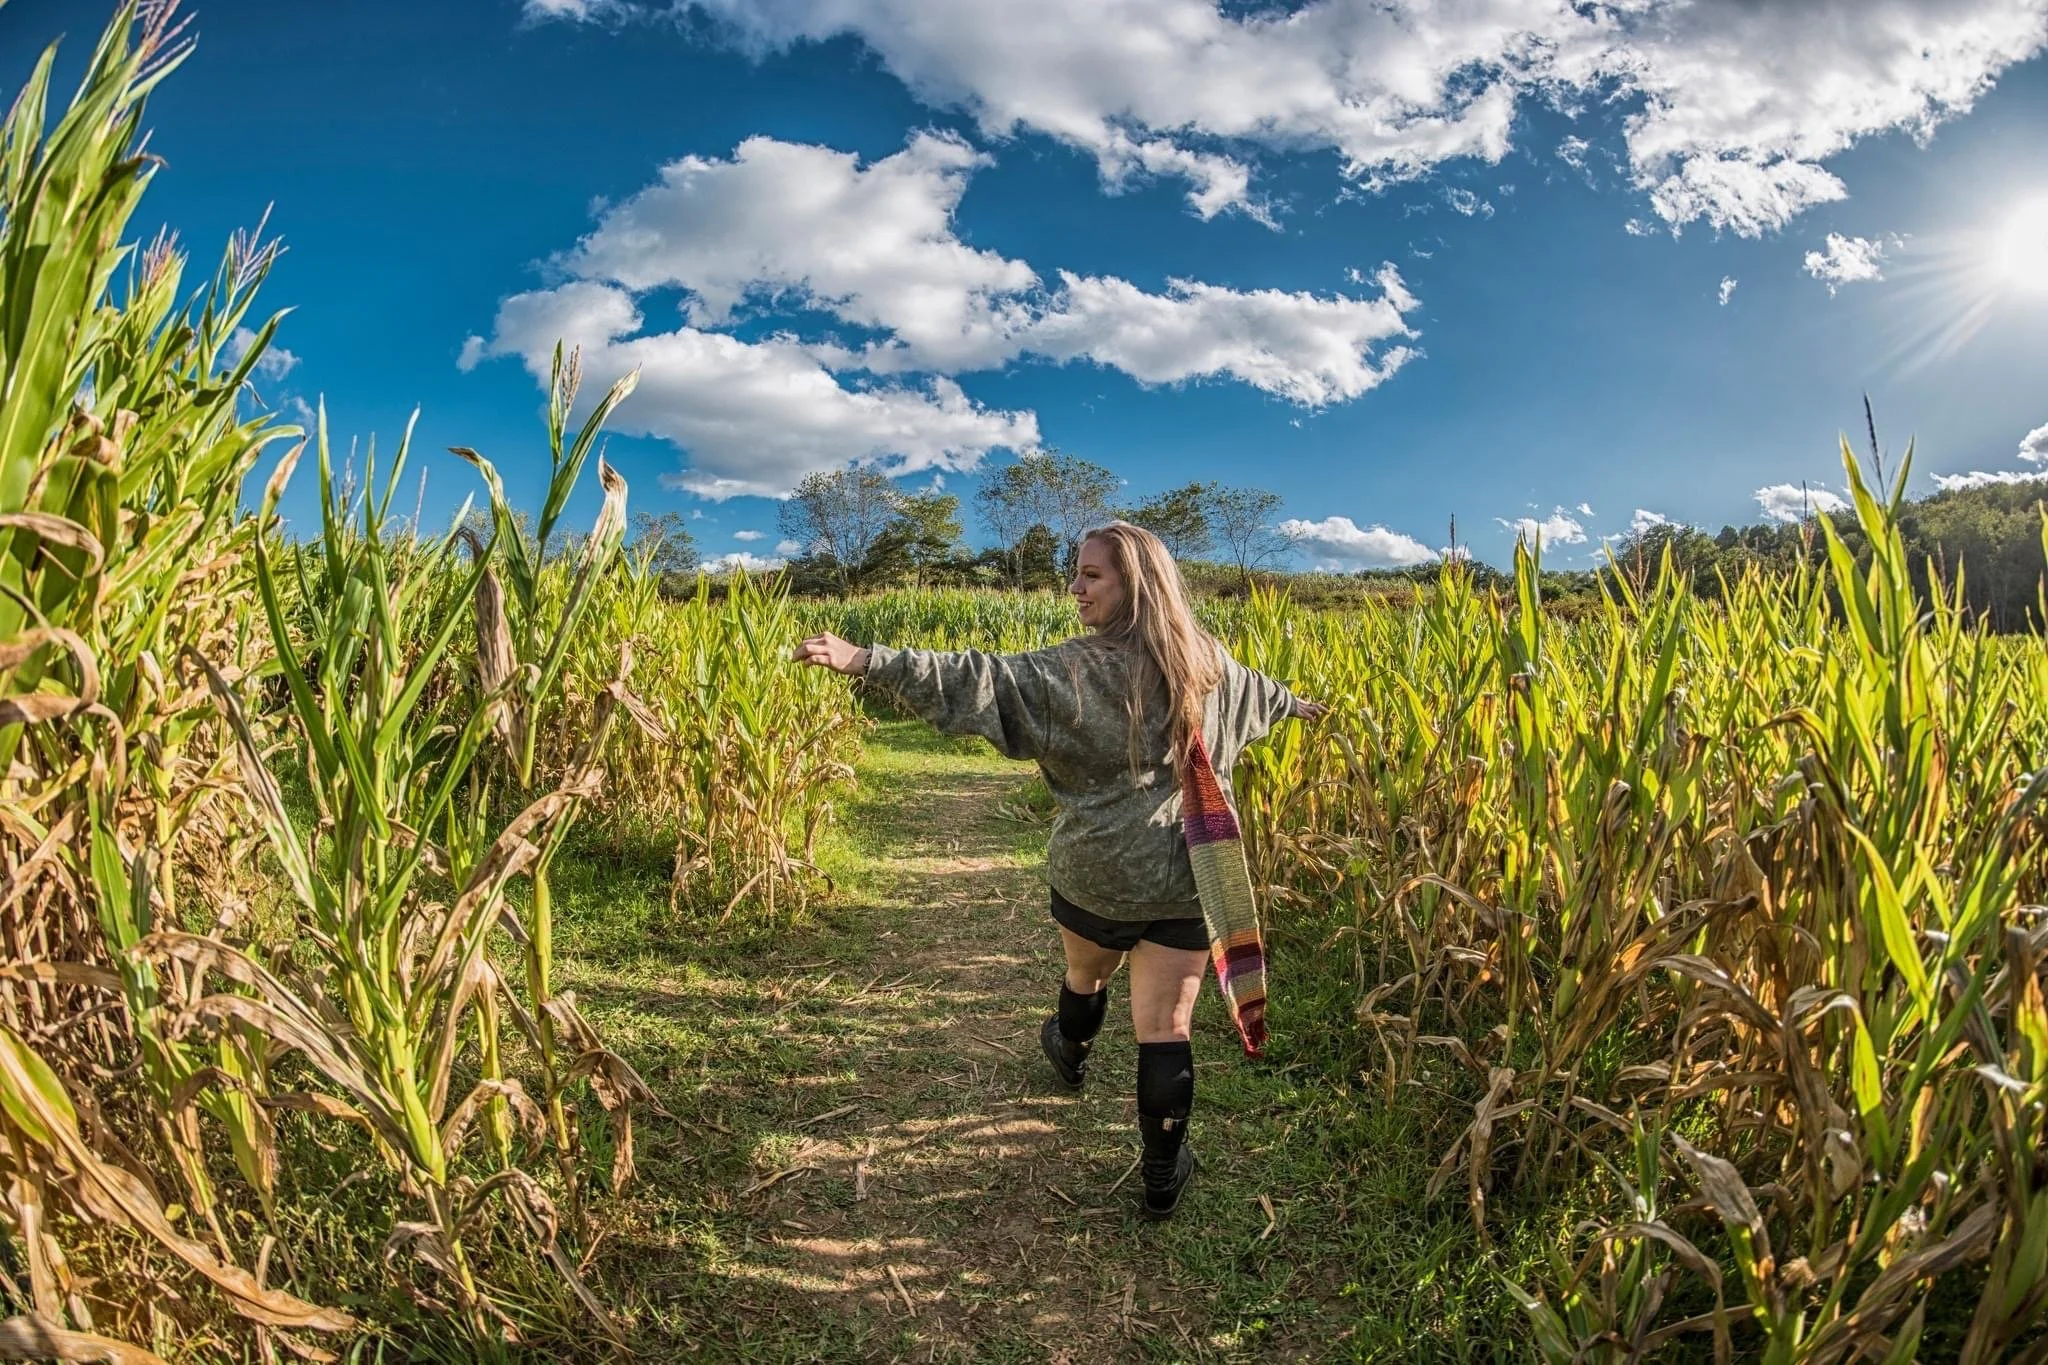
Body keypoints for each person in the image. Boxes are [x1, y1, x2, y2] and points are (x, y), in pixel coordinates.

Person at [791, 521, 1324, 1219]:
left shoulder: (1074, 670)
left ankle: (1070, 1048)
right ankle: (1163, 1174)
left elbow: (980, 678)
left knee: (1087, 974)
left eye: (1091, 575)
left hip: (1097, 873)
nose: (1075, 588)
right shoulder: (1210, 663)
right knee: (1166, 1026)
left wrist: (869, 658)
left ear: (1136, 584)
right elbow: (1264, 691)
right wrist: (1297, 704)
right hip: (1194, 871)